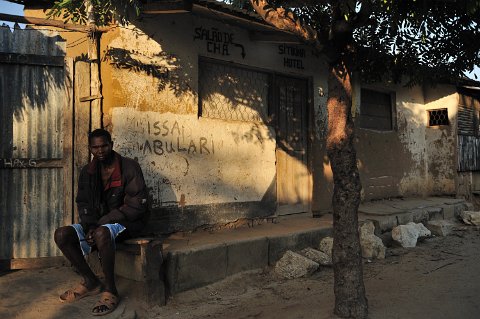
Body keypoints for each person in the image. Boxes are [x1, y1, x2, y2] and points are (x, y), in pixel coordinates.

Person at [54, 128, 149, 316]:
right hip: (98, 224)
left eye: (104, 146)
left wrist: (102, 223)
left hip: (129, 223)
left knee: (102, 232)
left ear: (111, 145)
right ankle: (90, 281)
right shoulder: (88, 172)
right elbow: (83, 203)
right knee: (62, 234)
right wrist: (90, 226)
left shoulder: (129, 167)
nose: (100, 151)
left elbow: (136, 205)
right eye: (95, 147)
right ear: (90, 148)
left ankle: (111, 290)